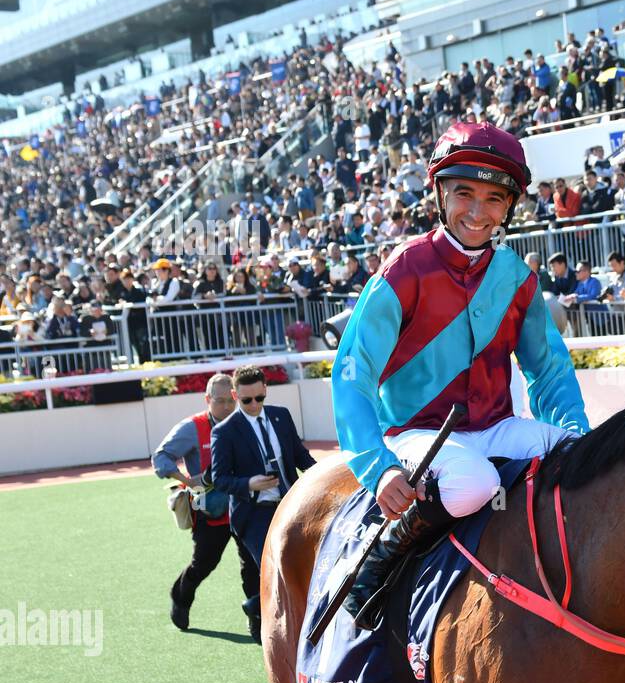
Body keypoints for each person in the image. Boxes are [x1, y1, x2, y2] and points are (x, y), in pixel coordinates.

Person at [330, 122, 590, 628]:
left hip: (494, 427)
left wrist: (578, 435)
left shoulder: (516, 277)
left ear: (509, 208)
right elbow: (352, 374)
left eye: (494, 199)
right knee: (474, 484)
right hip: (414, 434)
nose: (478, 211)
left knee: (583, 459)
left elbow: (549, 370)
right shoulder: (405, 270)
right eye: (464, 193)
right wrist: (378, 467)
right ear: (440, 193)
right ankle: (382, 557)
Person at [211, 365, 316, 642]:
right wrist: (249, 484)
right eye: (247, 400)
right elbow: (219, 478)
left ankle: (255, 605)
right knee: (278, 568)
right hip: (254, 514)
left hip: (291, 505)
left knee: (309, 561)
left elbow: (301, 457)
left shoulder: (281, 416)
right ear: (235, 395)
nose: (254, 404)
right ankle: (278, 628)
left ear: (266, 390)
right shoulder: (225, 432)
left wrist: (328, 476)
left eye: (260, 398)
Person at [153, 374, 259, 634]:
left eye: (230, 400)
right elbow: (160, 458)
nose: (225, 406)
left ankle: (256, 618)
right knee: (204, 563)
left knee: (253, 565)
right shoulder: (192, 427)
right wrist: (186, 480)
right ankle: (181, 597)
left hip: (245, 506)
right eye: (219, 401)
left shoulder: (247, 420)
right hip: (211, 511)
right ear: (207, 399)